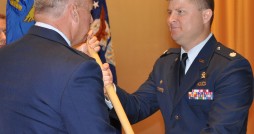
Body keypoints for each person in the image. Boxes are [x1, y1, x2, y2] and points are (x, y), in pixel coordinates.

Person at [102, 0, 253, 133]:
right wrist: (109, 89)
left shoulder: (231, 68)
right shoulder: (165, 64)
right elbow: (136, 108)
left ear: (205, 16)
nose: (171, 19)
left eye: (180, 12)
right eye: (169, 12)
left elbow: (221, 130)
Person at [0, 0, 116, 133]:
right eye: (89, 11)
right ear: (73, 12)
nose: (91, 19)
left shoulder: (4, 56)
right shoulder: (79, 69)